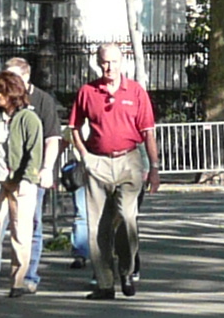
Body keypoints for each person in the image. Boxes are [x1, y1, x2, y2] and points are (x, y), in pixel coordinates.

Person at [67, 42, 158, 297]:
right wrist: (85, 156)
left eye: (114, 62)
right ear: (98, 62)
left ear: (122, 62)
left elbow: (148, 132)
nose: (109, 67)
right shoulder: (87, 92)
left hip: (129, 161)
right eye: (105, 62)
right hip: (98, 162)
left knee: (127, 218)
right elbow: (74, 127)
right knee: (98, 226)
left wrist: (154, 168)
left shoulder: (136, 92)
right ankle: (105, 284)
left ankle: (127, 272)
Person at [0, 68, 56, 295]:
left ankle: (18, 281)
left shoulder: (29, 118)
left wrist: (28, 179)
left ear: (12, 93)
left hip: (20, 181)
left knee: (21, 232)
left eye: (1, 91)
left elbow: (34, 151)